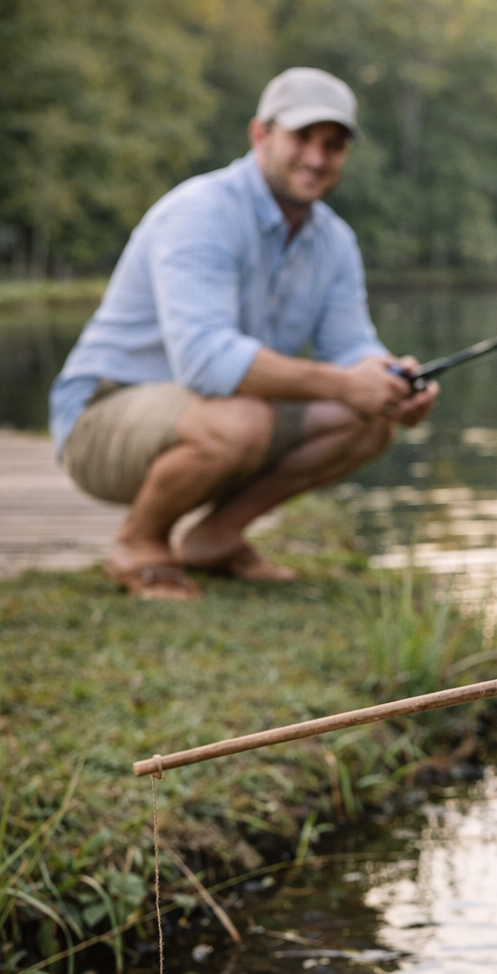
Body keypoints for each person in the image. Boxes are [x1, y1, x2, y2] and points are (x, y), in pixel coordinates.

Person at [49, 67, 437, 599]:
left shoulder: (334, 240)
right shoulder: (199, 213)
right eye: (302, 138)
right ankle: (138, 544)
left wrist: (392, 380)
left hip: (216, 413)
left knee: (368, 423)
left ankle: (215, 539)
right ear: (261, 134)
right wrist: (345, 383)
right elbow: (205, 361)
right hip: (99, 420)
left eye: (334, 145)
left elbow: (350, 348)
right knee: (241, 419)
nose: (318, 158)